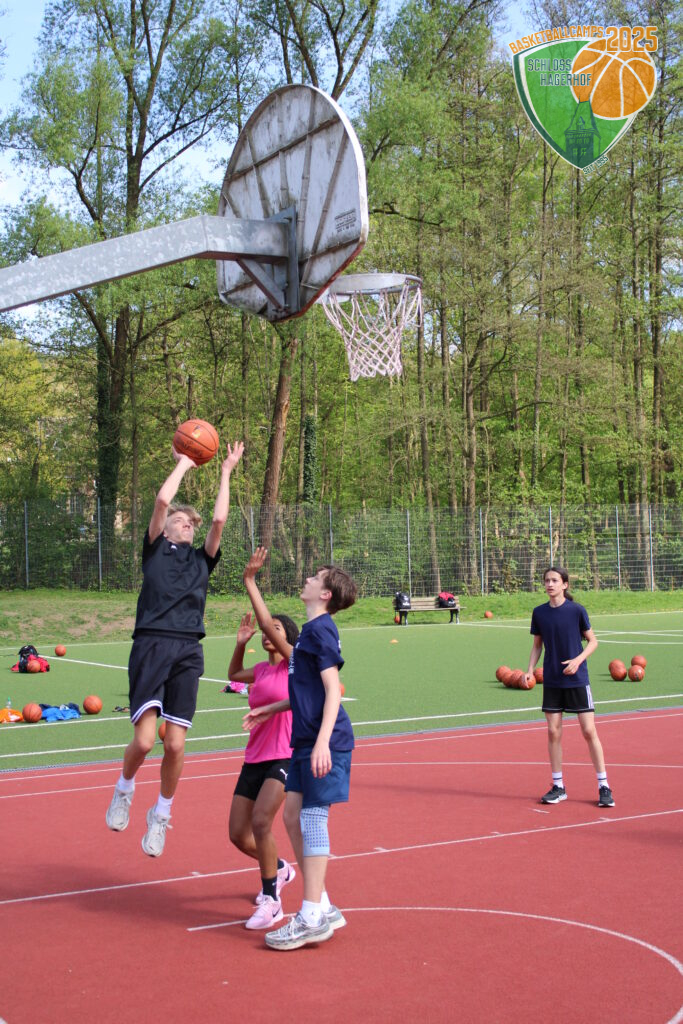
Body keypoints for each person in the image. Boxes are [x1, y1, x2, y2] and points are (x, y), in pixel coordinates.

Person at [105, 439, 244, 856]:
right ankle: (124, 789)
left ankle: (161, 814)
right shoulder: (154, 550)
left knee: (176, 745)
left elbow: (219, 520)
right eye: (181, 521)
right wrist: (184, 463)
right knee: (145, 742)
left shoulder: (202, 560)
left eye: (190, 524)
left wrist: (225, 471)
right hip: (151, 644)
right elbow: (163, 500)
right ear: (165, 529)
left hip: (187, 649)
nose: (188, 525)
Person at [242, 546, 357, 951]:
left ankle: (310, 916)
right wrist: (270, 708)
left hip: (326, 741)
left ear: (325, 594)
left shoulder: (322, 630)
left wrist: (323, 741)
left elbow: (332, 690)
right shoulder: (308, 632)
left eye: (315, 577)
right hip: (304, 741)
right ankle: (321, 904)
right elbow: (305, 691)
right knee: (291, 816)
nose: (307, 578)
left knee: (311, 819)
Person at [227, 607, 299, 929]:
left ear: (287, 637)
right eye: (269, 628)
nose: (269, 632)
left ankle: (272, 901)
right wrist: (241, 643)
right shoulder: (260, 670)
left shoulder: (294, 665)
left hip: (284, 756)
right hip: (254, 757)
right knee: (238, 835)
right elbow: (233, 674)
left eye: (277, 628)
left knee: (260, 821)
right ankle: (280, 868)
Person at [524, 566, 615, 809]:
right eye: (547, 580)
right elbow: (537, 645)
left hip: (577, 679)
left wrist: (578, 660)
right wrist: (530, 669)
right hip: (553, 679)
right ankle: (558, 786)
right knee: (553, 732)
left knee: (588, 730)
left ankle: (604, 786)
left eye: (554, 580)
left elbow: (593, 641)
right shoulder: (539, 613)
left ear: (565, 584)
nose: (549, 584)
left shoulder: (576, 611)